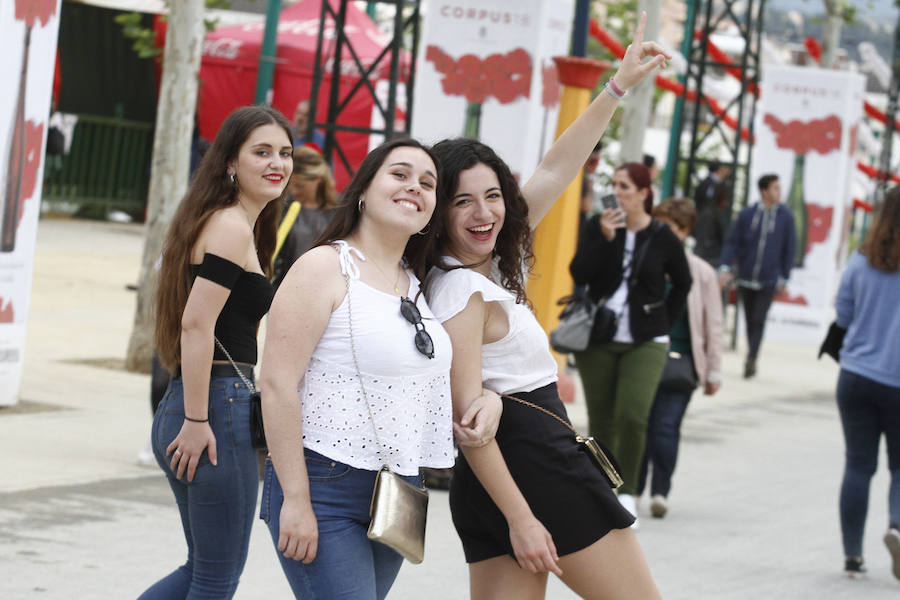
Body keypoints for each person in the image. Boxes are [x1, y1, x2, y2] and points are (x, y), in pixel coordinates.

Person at [417, 13, 667, 598]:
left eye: (493, 196)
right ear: (438, 213)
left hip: (510, 472)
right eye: (463, 203)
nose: (485, 213)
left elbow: (558, 167)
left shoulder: (492, 266)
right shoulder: (461, 290)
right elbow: (469, 423)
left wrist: (616, 88)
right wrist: (524, 518)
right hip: (533, 468)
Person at [257, 137, 502, 599]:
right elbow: (276, 385)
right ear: (364, 190)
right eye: (400, 174)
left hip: (397, 489)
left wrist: (490, 399)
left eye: (428, 183)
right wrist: (294, 497)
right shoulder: (324, 267)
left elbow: (427, 381)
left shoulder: (418, 283)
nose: (415, 187)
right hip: (322, 483)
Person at [138, 105, 294, 599]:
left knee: (201, 569)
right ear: (230, 162)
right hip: (213, 411)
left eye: (285, 153)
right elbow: (196, 323)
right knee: (215, 578)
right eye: (262, 152)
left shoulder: (228, 222)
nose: (278, 163)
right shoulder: (229, 226)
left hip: (201, 405)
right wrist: (198, 419)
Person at [570, 161, 691, 528]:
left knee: (632, 416)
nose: (618, 192)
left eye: (625, 186)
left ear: (643, 193)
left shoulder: (663, 236)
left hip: (646, 339)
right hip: (599, 337)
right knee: (602, 419)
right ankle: (602, 492)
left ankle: (627, 492)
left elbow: (683, 283)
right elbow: (580, 273)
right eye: (615, 185)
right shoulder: (600, 225)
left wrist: (662, 321)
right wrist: (605, 239)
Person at [637, 198, 723, 519]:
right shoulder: (645, 260)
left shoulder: (701, 273)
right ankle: (633, 490)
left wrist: (714, 371)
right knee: (639, 426)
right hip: (643, 358)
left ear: (685, 231)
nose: (663, 232)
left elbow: (714, 323)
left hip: (682, 363)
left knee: (665, 427)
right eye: (659, 224)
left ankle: (661, 490)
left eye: (671, 227)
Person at [833, 187, 900, 579]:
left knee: (858, 465)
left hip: (856, 376)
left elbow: (843, 315)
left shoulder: (861, 260)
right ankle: (896, 526)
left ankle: (852, 556)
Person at [718, 174, 795, 379]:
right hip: (745, 276)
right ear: (764, 191)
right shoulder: (747, 214)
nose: (779, 192)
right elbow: (733, 241)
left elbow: (789, 248)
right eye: (775, 188)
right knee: (750, 318)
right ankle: (752, 352)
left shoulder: (786, 217)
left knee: (759, 319)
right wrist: (726, 266)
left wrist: (785, 276)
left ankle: (751, 357)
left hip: (769, 279)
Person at [271, 145, 338, 288]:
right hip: (285, 286)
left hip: (326, 288)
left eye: (300, 185)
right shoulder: (283, 207)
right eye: (290, 185)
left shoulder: (338, 211)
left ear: (318, 179)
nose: (293, 191)